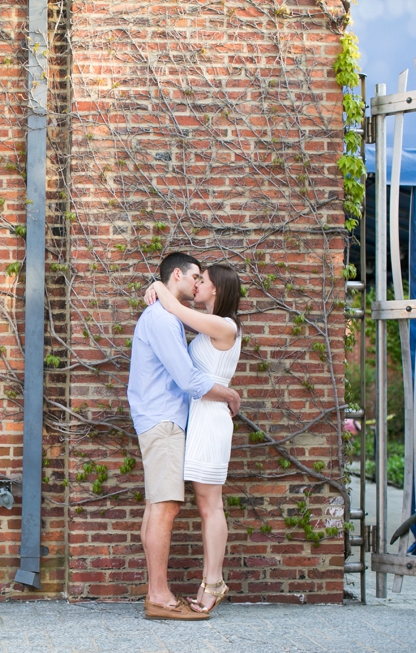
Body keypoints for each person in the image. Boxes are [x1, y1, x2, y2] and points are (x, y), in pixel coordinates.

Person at [127, 252, 240, 621]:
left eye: (203, 280)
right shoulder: (165, 316)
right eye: (195, 277)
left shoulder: (201, 320)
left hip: (187, 422)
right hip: (166, 421)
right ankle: (159, 595)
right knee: (165, 506)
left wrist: (160, 288)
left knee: (175, 505)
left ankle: (197, 585)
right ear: (179, 275)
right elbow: (189, 379)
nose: (197, 284)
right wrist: (227, 393)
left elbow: (183, 316)